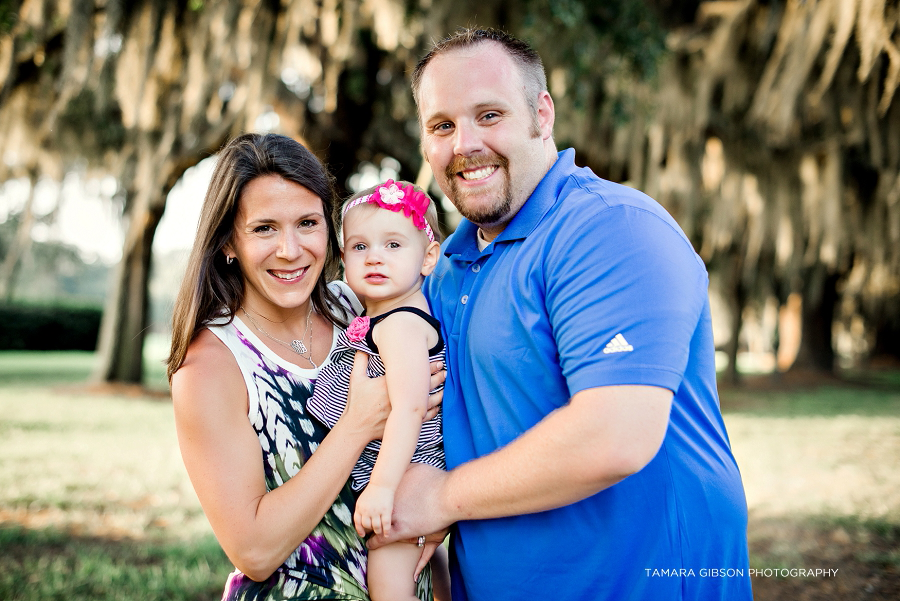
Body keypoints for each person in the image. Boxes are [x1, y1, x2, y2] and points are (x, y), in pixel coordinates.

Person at [370, 28, 753, 601]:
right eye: (442, 125)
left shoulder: (611, 229)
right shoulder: (447, 269)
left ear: (541, 114)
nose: (464, 144)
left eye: (489, 114)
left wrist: (442, 498)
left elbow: (615, 435)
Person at [166, 133, 441, 601]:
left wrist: (437, 514)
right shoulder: (211, 365)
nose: (291, 250)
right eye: (264, 228)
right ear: (229, 242)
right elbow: (253, 550)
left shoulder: (360, 306)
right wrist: (357, 425)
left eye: (307, 223)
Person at [307, 179, 449, 601]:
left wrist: (384, 487)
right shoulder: (385, 317)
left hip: (403, 473)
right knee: (425, 570)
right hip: (398, 467)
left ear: (428, 258)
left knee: (387, 579)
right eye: (360, 247)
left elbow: (408, 409)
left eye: (393, 245)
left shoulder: (400, 324)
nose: (375, 258)